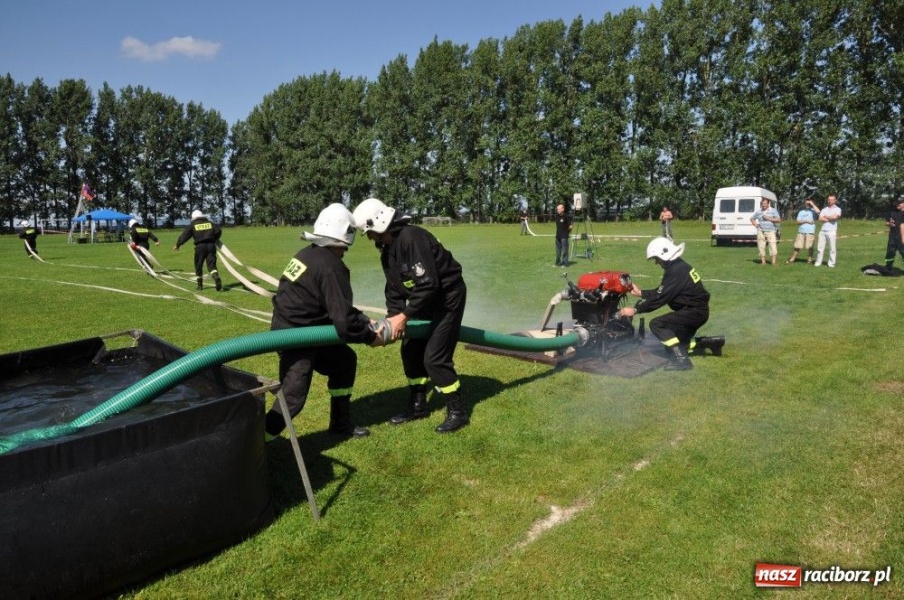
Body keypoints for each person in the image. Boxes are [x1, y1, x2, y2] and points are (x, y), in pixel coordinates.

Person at [263, 203, 384, 441]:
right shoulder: (331, 266)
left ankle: (340, 424)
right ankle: (257, 442)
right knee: (293, 395)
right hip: (297, 335)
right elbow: (343, 322)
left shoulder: (307, 254)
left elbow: (330, 304)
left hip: (298, 327)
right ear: (344, 236)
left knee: (344, 361)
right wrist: (371, 337)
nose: (345, 252)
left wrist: (360, 317)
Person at [352, 197, 469, 433]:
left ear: (380, 224)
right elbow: (394, 289)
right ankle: (418, 406)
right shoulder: (388, 252)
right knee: (411, 351)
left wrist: (404, 317)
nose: (370, 238)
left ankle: (458, 411)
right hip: (422, 301)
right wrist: (392, 322)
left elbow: (429, 284)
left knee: (435, 358)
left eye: (370, 232)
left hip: (446, 299)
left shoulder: (411, 238)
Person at [617, 237, 724, 371]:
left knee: (657, 324)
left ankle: (682, 361)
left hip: (694, 312)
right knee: (676, 346)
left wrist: (635, 310)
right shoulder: (679, 266)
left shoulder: (676, 271)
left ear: (664, 254)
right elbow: (662, 292)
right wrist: (641, 293)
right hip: (697, 311)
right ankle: (713, 342)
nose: (656, 262)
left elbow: (661, 298)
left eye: (656, 258)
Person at [174, 209, 222, 290]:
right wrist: (215, 238)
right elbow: (218, 231)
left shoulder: (193, 224)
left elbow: (185, 235)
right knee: (211, 264)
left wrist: (178, 244)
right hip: (211, 246)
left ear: (193, 217)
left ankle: (200, 285)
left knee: (198, 265)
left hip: (200, 247)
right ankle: (215, 276)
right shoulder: (210, 223)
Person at [786, 198, 820, 264]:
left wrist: (812, 204)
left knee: (810, 247)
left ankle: (809, 259)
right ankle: (792, 259)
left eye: (808, 203)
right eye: (806, 203)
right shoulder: (801, 212)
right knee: (797, 246)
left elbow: (818, 212)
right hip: (801, 231)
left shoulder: (813, 211)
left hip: (810, 232)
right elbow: (798, 222)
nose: (807, 204)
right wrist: (806, 221)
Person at [751, 198, 781, 265]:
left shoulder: (773, 210)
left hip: (771, 231)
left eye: (765, 203)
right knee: (761, 246)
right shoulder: (758, 211)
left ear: (768, 204)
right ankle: (763, 262)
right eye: (762, 203)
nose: (763, 205)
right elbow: (752, 218)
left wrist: (769, 218)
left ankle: (773, 262)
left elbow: (778, 220)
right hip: (761, 231)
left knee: (773, 246)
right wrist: (756, 225)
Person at [814, 194, 841, 267]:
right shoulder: (824, 209)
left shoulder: (838, 209)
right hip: (822, 231)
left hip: (832, 231)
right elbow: (820, 218)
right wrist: (830, 218)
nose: (830, 201)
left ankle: (831, 263)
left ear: (835, 201)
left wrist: (825, 217)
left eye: (832, 200)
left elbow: (835, 217)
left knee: (832, 248)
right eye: (829, 200)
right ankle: (818, 262)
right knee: (820, 248)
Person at [883, 197, 904, 270]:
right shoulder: (892, 212)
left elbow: (902, 226)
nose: (897, 204)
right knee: (890, 252)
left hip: (902, 236)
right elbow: (886, 223)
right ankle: (888, 267)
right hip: (893, 236)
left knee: (903, 251)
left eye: (900, 203)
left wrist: (903, 238)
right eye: (897, 203)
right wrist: (889, 224)